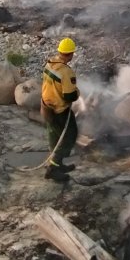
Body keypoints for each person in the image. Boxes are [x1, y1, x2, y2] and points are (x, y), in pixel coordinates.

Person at [40, 37, 80, 182]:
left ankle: (58, 163)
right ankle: (53, 170)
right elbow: (69, 96)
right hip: (59, 110)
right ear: (70, 54)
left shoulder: (50, 64)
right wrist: (78, 93)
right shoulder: (65, 72)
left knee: (54, 136)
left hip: (46, 107)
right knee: (69, 137)